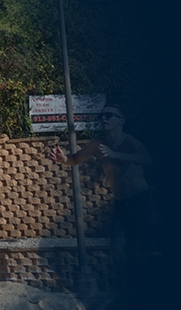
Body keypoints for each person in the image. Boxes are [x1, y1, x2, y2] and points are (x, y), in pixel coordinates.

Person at [49, 103, 158, 267]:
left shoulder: (130, 142)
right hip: (121, 204)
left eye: (109, 115)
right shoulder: (97, 145)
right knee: (117, 249)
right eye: (101, 116)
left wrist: (115, 154)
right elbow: (75, 159)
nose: (104, 119)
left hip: (140, 201)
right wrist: (62, 159)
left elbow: (147, 159)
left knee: (146, 247)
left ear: (121, 121)